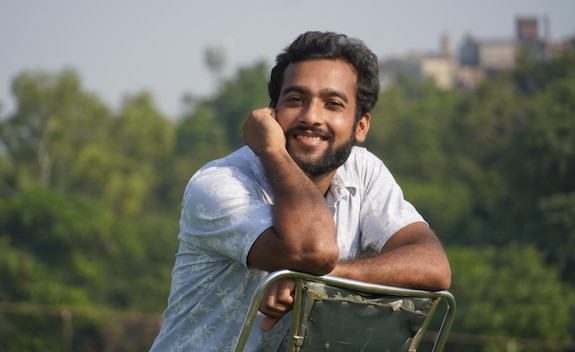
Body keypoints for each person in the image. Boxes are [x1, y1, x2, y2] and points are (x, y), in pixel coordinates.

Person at [149, 31, 451, 352]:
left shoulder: (364, 171)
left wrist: (322, 279)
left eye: (333, 104)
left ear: (360, 125)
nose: (310, 117)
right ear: (271, 112)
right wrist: (273, 150)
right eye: (295, 100)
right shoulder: (218, 183)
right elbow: (314, 251)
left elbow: (434, 266)